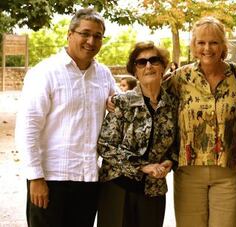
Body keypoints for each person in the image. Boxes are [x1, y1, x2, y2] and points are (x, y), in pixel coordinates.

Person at [15, 8, 116, 227]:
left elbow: (120, 109)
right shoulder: (45, 72)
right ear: (70, 34)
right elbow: (28, 127)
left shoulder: (104, 75)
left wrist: (115, 104)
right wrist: (35, 178)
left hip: (88, 179)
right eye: (85, 33)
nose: (91, 41)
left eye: (98, 36)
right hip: (51, 179)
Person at [165, 16, 236, 227]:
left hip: (229, 173)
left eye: (213, 42)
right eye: (201, 42)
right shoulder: (180, 78)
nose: (207, 48)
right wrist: (115, 100)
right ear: (194, 46)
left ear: (223, 46)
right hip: (189, 174)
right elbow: (151, 97)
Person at [97, 41, 177, 227]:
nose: (148, 65)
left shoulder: (173, 105)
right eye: (141, 62)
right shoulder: (122, 103)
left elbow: (177, 144)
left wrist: (169, 162)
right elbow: (106, 146)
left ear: (163, 67)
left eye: (154, 60)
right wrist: (143, 167)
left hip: (154, 191)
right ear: (135, 71)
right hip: (118, 187)